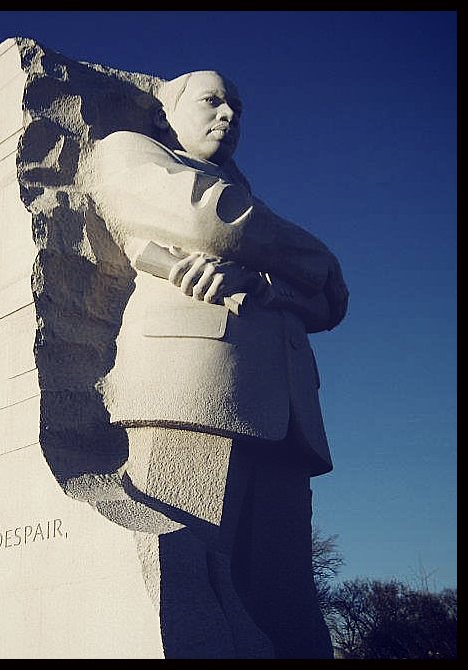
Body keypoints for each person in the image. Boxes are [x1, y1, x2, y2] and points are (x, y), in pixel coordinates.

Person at [83, 70, 348, 658]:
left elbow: (332, 299)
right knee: (189, 576)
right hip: (193, 386)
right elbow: (209, 220)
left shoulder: (253, 210)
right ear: (166, 113)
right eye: (212, 101)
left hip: (286, 409)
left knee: (285, 602)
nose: (228, 115)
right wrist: (312, 257)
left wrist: (268, 281)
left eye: (237, 107)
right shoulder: (129, 151)